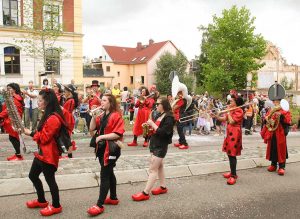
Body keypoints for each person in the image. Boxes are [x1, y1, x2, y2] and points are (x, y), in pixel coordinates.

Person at [24, 88, 68, 216]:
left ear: (47, 102)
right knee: (32, 175)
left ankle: (56, 205)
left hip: (49, 155)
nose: (38, 102)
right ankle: (42, 200)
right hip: (42, 153)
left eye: (40, 100)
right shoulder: (48, 114)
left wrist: (30, 133)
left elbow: (44, 138)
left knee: (50, 180)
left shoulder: (54, 118)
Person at [87, 94, 125, 216]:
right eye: (101, 100)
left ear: (110, 103)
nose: (101, 102)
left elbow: (118, 134)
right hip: (102, 149)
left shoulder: (116, 116)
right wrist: (93, 116)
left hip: (111, 149)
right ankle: (113, 197)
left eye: (104, 100)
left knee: (104, 175)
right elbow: (92, 128)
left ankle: (99, 204)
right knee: (109, 173)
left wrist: (102, 136)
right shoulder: (102, 114)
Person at [132, 97, 174, 201]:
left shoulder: (168, 117)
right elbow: (157, 130)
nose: (156, 106)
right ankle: (163, 187)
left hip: (160, 145)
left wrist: (152, 124)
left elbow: (164, 133)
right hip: (154, 144)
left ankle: (145, 193)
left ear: (163, 105)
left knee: (152, 169)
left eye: (158, 104)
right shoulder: (160, 115)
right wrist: (150, 129)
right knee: (160, 166)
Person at [211, 94, 244, 185]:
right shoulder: (232, 110)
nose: (230, 102)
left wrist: (229, 112)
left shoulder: (239, 110)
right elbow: (225, 119)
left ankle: (233, 176)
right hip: (229, 132)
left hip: (235, 132)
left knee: (232, 154)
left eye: (232, 101)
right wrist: (216, 116)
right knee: (230, 154)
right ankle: (233, 172)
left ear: (236, 102)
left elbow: (232, 121)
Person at [261, 95, 292, 176]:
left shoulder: (285, 111)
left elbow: (288, 120)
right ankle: (273, 165)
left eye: (276, 102)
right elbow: (266, 120)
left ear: (280, 103)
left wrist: (280, 115)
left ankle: (281, 167)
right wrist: (266, 118)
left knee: (281, 149)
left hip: (280, 132)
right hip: (272, 132)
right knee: (273, 148)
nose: (275, 103)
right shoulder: (271, 111)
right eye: (274, 102)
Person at [0, 83, 24, 161]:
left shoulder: (15, 98)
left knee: (13, 137)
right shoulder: (14, 97)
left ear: (14, 89)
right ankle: (17, 154)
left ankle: (19, 155)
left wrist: (1, 115)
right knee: (13, 137)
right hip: (12, 120)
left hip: (13, 120)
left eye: (9, 88)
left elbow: (10, 110)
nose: (8, 90)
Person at [61, 84, 79, 158]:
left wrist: (61, 108)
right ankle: (67, 153)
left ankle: (70, 154)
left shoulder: (71, 100)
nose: (64, 92)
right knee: (65, 137)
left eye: (65, 91)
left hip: (69, 120)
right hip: (66, 119)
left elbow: (68, 112)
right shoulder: (68, 99)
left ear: (69, 92)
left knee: (67, 137)